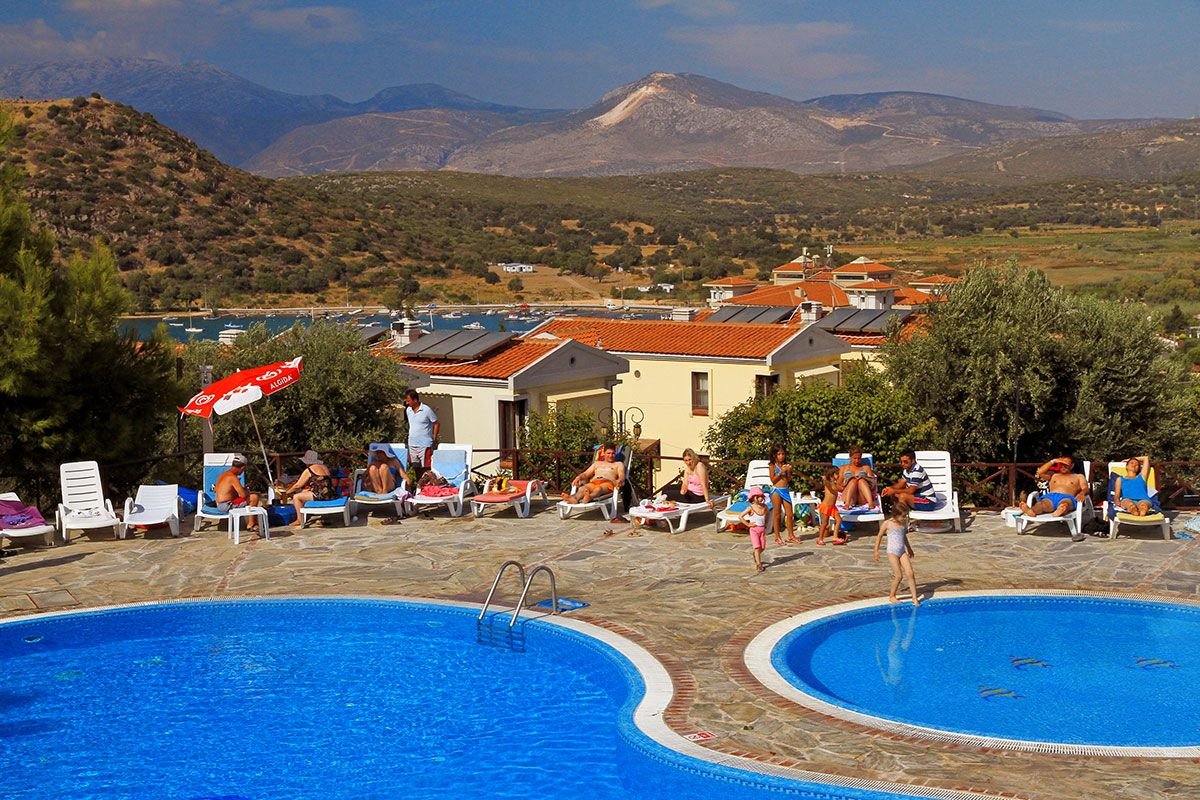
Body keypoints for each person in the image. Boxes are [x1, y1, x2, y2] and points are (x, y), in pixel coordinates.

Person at [1020, 455, 1090, 540]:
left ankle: (1060, 510)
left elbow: (1085, 488)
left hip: (1067, 497)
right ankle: (1031, 511)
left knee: (1065, 504)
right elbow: (1040, 472)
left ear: (1072, 466)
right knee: (1042, 504)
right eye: (1061, 464)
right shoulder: (1053, 475)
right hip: (1050, 497)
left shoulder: (1078, 476)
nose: (1063, 466)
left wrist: (1082, 493)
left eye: (1066, 464)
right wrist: (1053, 461)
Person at [874, 496, 919, 606]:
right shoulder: (887, 524)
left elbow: (904, 537)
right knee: (899, 575)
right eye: (903, 516)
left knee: (910, 573)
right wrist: (876, 551)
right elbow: (879, 536)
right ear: (896, 515)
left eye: (906, 516)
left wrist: (909, 548)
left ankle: (914, 597)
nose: (904, 518)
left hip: (902, 551)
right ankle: (892, 595)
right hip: (892, 552)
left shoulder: (903, 524)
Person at [284, 449, 335, 526]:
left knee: (296, 497)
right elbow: (323, 482)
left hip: (321, 495)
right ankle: (306, 513)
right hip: (331, 493)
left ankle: (299, 520)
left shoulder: (309, 469)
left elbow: (298, 485)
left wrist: (287, 492)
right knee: (304, 492)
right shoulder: (324, 467)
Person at [214, 453, 261, 531]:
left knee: (250, 496)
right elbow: (243, 495)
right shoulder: (233, 477)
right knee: (254, 497)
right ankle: (251, 524)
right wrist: (246, 491)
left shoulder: (223, 474)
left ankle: (253, 522)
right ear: (242, 468)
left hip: (219, 504)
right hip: (226, 505)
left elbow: (217, 490)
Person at [404, 389, 440, 477]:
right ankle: (418, 484)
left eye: (409, 401)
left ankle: (427, 484)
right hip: (412, 443)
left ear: (415, 400)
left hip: (424, 444)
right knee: (415, 467)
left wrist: (434, 438)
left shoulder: (426, 410)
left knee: (426, 468)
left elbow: (436, 423)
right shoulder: (408, 410)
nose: (407, 403)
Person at [769, 444, 799, 546]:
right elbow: (773, 480)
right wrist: (780, 472)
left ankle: (791, 535)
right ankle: (777, 536)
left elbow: (788, 479)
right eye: (779, 454)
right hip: (776, 490)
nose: (781, 456)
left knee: (790, 514)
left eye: (783, 454)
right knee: (777, 514)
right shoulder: (772, 466)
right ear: (774, 455)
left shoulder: (786, 465)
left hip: (785, 490)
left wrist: (789, 472)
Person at [739, 486, 769, 573]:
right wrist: (748, 524)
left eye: (761, 497)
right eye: (757, 497)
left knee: (762, 547)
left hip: (762, 530)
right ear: (753, 498)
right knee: (757, 547)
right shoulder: (751, 508)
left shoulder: (765, 507)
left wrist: (766, 523)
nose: (760, 499)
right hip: (754, 530)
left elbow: (767, 514)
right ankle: (758, 564)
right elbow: (740, 516)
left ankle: (756, 555)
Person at [817, 466, 846, 546]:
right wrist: (825, 480)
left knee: (839, 520)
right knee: (825, 523)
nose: (839, 476)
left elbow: (840, 488)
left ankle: (835, 537)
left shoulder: (835, 483)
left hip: (832, 507)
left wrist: (844, 485)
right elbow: (832, 488)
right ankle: (820, 539)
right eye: (837, 474)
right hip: (826, 506)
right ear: (832, 475)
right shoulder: (828, 483)